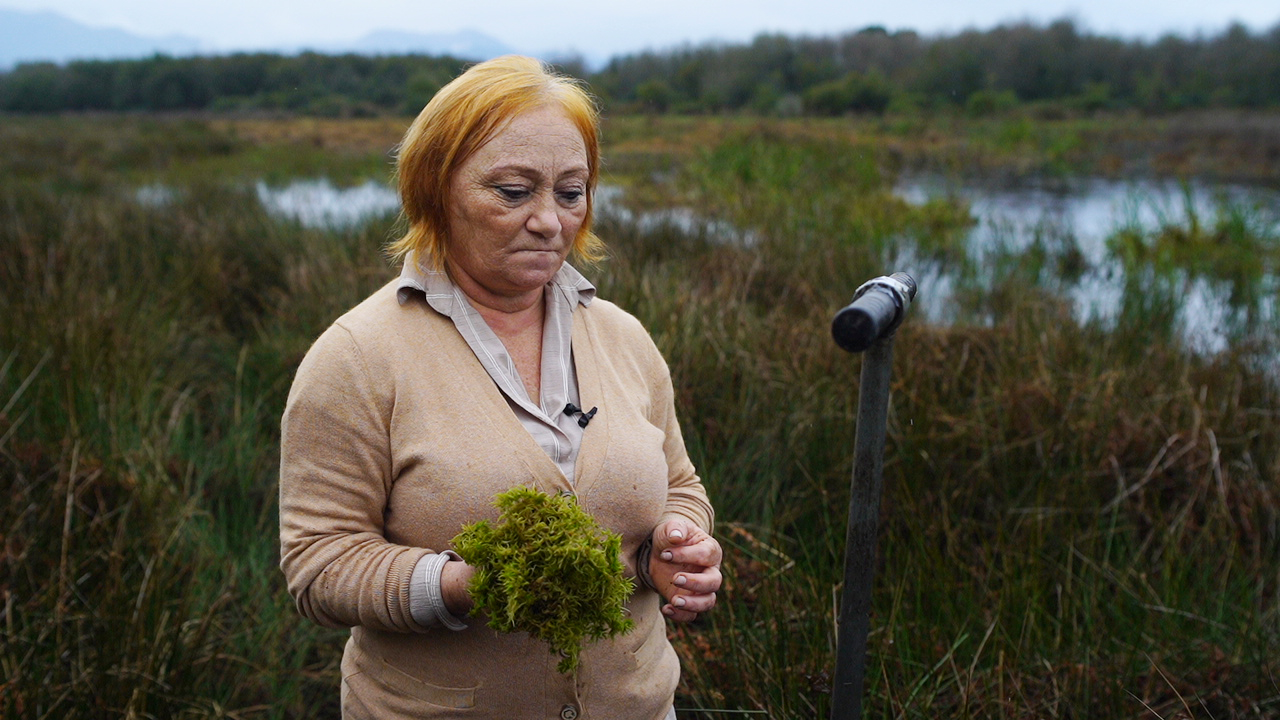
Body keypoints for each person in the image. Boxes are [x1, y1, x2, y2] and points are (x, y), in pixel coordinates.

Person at [278, 55, 722, 720]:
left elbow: (681, 484)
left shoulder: (624, 337)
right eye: (513, 192)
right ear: (435, 190)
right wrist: (468, 585)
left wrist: (677, 545)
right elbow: (320, 563)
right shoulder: (357, 358)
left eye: (570, 193)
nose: (550, 221)